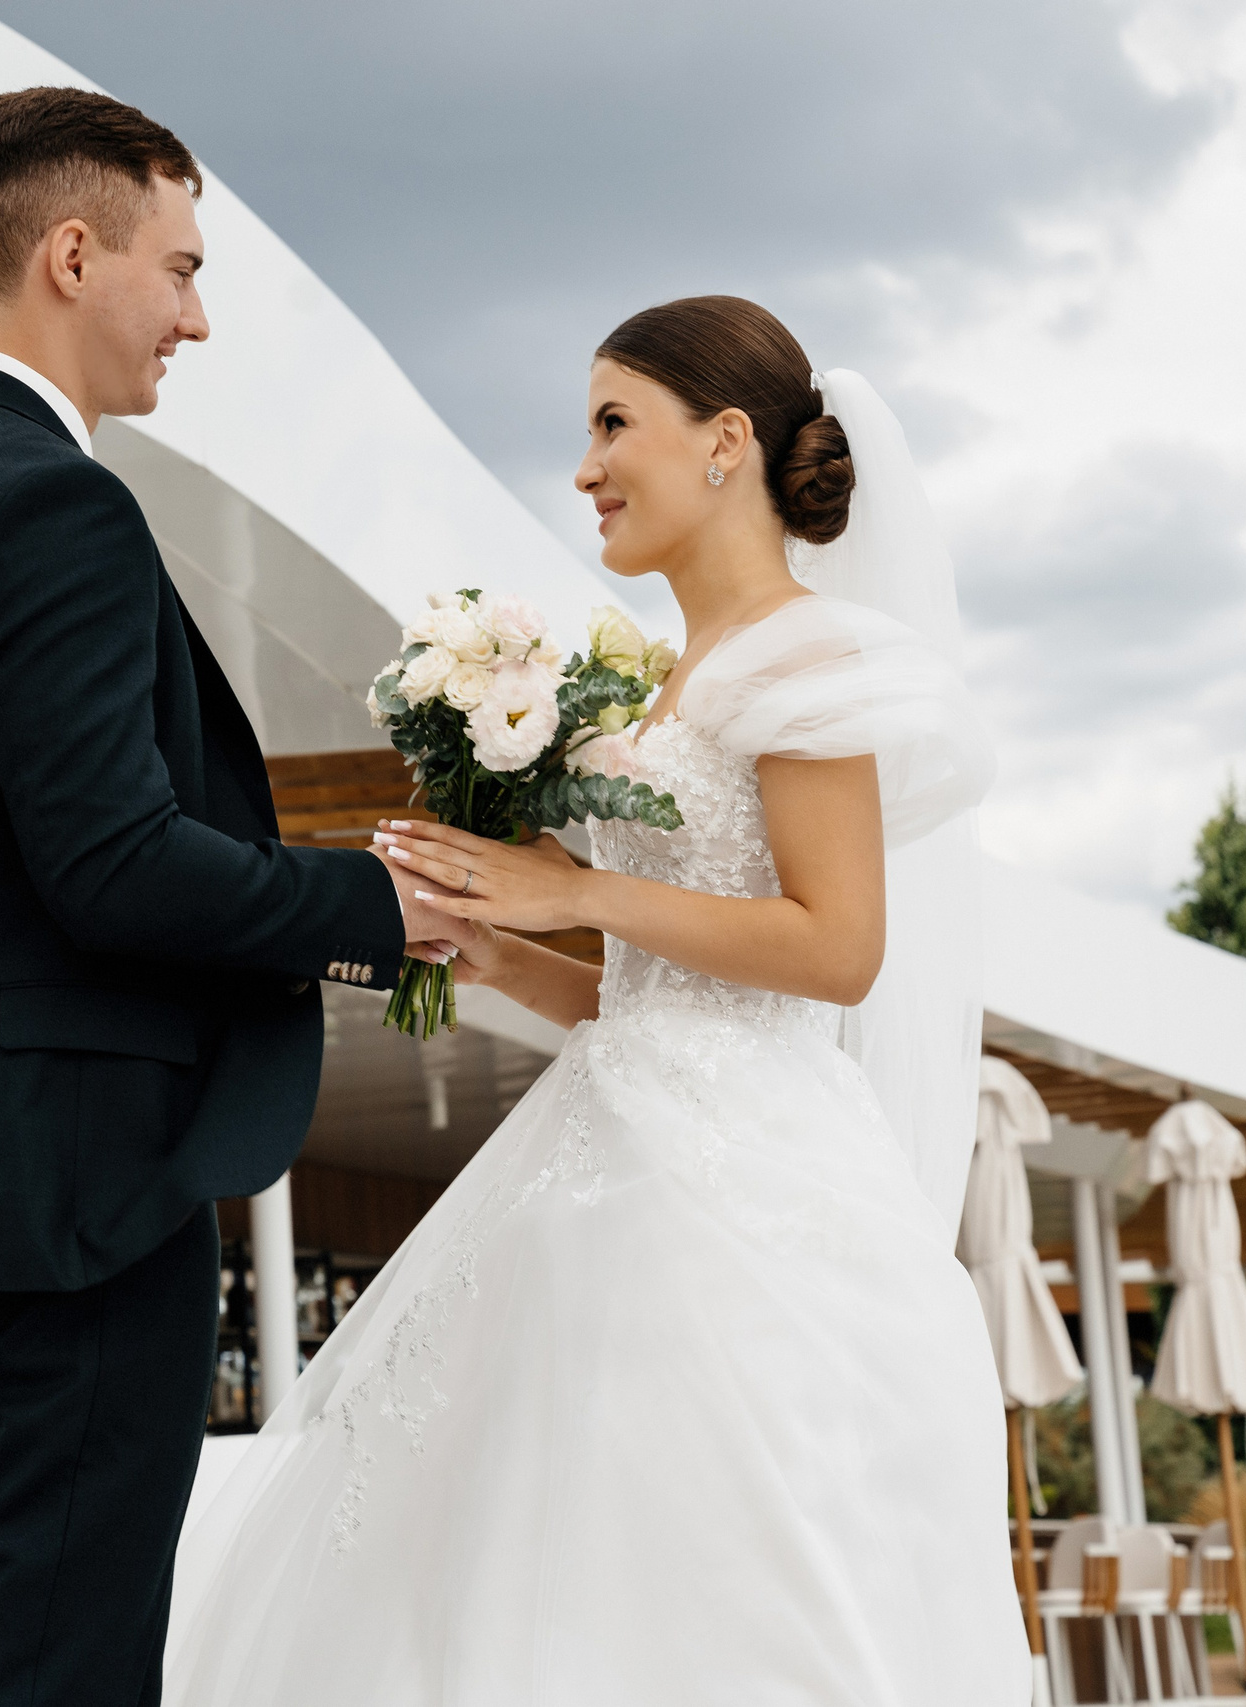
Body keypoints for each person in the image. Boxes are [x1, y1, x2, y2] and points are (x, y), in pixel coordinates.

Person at [166, 297, 1029, 1703]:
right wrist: (496, 941)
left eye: (614, 425)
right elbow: (651, 996)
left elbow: (836, 949)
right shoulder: (664, 689)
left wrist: (580, 893)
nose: (585, 470)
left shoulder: (806, 664)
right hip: (610, 1144)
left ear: (726, 444)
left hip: (754, 1192)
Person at [0, 87, 450, 1705]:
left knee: (31, 1633)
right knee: (63, 1662)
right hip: (70, 1199)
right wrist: (382, 907)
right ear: (69, 254)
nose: (196, 316)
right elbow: (111, 864)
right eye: (178, 269)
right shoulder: (50, 503)